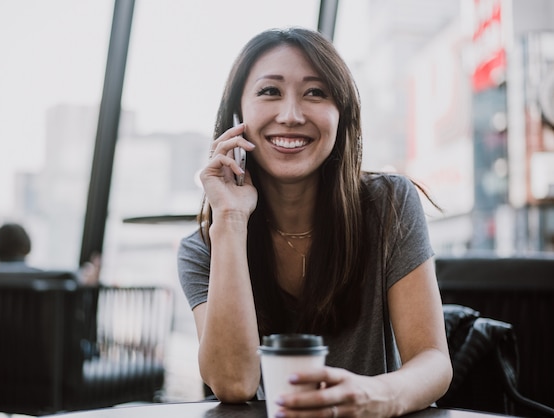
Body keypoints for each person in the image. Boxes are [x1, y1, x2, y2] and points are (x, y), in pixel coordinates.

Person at [177, 27, 452, 417]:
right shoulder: (206, 244)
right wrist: (232, 220)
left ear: (342, 114)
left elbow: (433, 362)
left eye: (315, 93)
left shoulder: (389, 203)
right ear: (238, 115)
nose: (290, 116)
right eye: (269, 91)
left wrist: (375, 396)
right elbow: (234, 384)